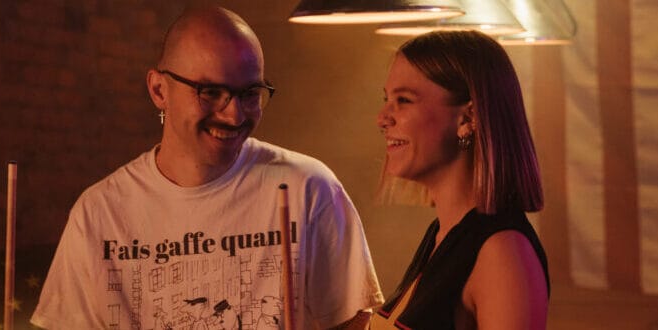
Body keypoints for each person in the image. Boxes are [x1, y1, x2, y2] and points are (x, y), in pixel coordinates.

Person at [31, 6, 383, 330]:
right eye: (211, 92)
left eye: (250, 93)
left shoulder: (309, 187)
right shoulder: (99, 213)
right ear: (158, 89)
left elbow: (353, 322)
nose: (234, 115)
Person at [370, 30, 549, 329]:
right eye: (386, 99)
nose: (382, 117)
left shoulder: (503, 252)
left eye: (403, 100)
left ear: (468, 118)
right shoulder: (443, 234)